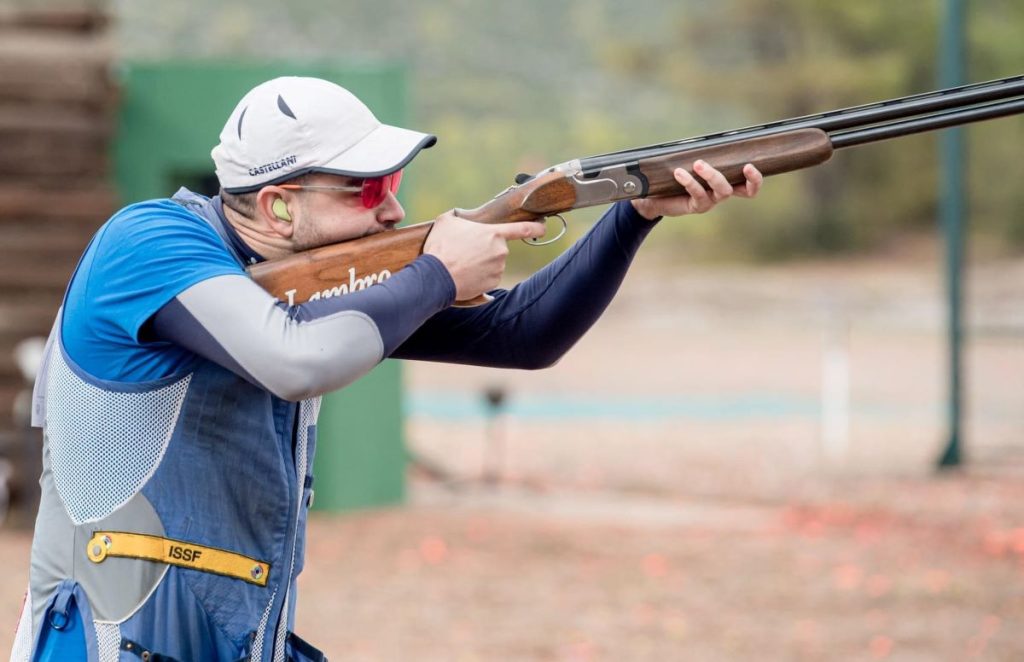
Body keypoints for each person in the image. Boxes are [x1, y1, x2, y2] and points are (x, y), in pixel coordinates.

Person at [12, 76, 762, 661]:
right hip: (108, 638)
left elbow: (526, 335)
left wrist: (635, 214)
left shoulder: (312, 279)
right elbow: (293, 359)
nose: (394, 210)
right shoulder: (146, 242)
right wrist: (436, 274)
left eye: (394, 184)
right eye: (366, 189)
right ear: (276, 207)